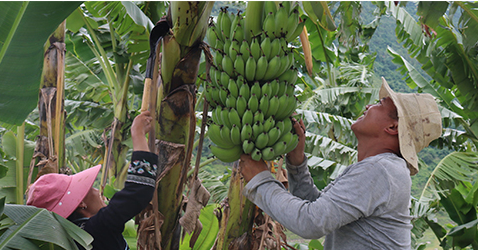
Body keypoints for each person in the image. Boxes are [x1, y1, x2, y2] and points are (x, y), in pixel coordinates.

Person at [240, 78, 442, 249]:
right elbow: (318, 207)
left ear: (392, 126)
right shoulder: (381, 168)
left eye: (380, 104)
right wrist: (296, 161)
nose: (368, 106)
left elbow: (311, 222)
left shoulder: (382, 170)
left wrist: (260, 181)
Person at [27, 111, 159, 250]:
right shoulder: (96, 229)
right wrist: (138, 133)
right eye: (90, 189)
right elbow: (139, 191)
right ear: (81, 204)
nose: (97, 191)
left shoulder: (68, 239)